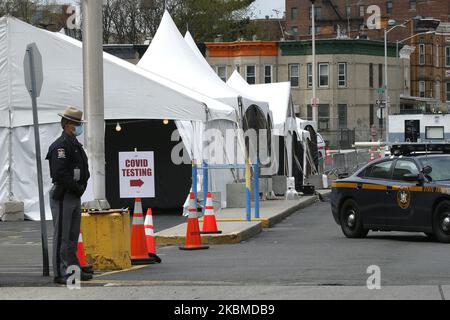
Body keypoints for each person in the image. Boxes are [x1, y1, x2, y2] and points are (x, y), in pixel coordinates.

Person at [46, 106, 92, 285]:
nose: (79, 127)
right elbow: (60, 174)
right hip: (64, 194)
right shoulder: (61, 146)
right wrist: (76, 187)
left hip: (73, 194)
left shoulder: (74, 144)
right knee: (62, 236)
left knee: (72, 236)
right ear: (67, 125)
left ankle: (72, 269)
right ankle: (60, 272)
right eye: (76, 124)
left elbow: (84, 169)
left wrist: (81, 186)